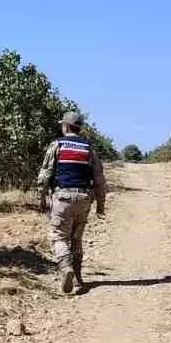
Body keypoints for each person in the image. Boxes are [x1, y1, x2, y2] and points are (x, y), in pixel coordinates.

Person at [37, 111, 107, 294]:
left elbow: (45, 173)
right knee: (76, 239)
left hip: (62, 197)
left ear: (66, 126)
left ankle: (66, 268)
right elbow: (99, 178)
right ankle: (77, 280)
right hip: (84, 199)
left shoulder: (57, 145)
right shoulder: (88, 148)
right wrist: (101, 204)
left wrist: (42, 196)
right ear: (79, 128)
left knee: (59, 236)